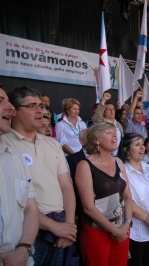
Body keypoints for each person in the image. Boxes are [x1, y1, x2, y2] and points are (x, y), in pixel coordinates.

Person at [3, 86, 77, 265]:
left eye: (41, 107)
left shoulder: (52, 144)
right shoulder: (5, 144)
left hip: (60, 232)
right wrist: (56, 227)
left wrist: (67, 226)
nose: (40, 111)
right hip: (27, 235)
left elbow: (66, 186)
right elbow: (16, 201)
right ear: (15, 110)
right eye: (32, 106)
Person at [75, 122, 134, 265]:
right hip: (97, 232)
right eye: (108, 132)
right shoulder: (85, 165)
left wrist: (126, 224)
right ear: (95, 139)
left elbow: (127, 196)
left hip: (122, 229)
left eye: (115, 132)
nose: (115, 135)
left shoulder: (118, 162)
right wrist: (115, 231)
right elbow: (88, 207)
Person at [0, 87, 39, 266]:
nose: (11, 108)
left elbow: (30, 207)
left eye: (8, 100)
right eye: (0, 101)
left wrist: (23, 250)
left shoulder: (16, 157)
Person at [119, 133, 149, 266]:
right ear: (126, 149)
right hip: (136, 230)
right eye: (137, 144)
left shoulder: (148, 167)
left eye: (142, 144)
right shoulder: (123, 171)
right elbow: (127, 200)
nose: (142, 148)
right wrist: (148, 219)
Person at [55, 98, 87, 179]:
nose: (77, 111)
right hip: (70, 158)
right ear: (68, 110)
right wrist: (75, 156)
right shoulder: (60, 125)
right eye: (74, 109)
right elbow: (62, 143)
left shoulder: (82, 123)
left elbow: (87, 139)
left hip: (83, 156)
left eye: (78, 109)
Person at [92, 92, 124, 156]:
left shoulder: (119, 125)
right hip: (104, 155)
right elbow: (96, 117)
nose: (112, 111)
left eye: (113, 109)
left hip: (117, 155)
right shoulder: (101, 122)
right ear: (104, 112)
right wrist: (104, 99)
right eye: (109, 109)